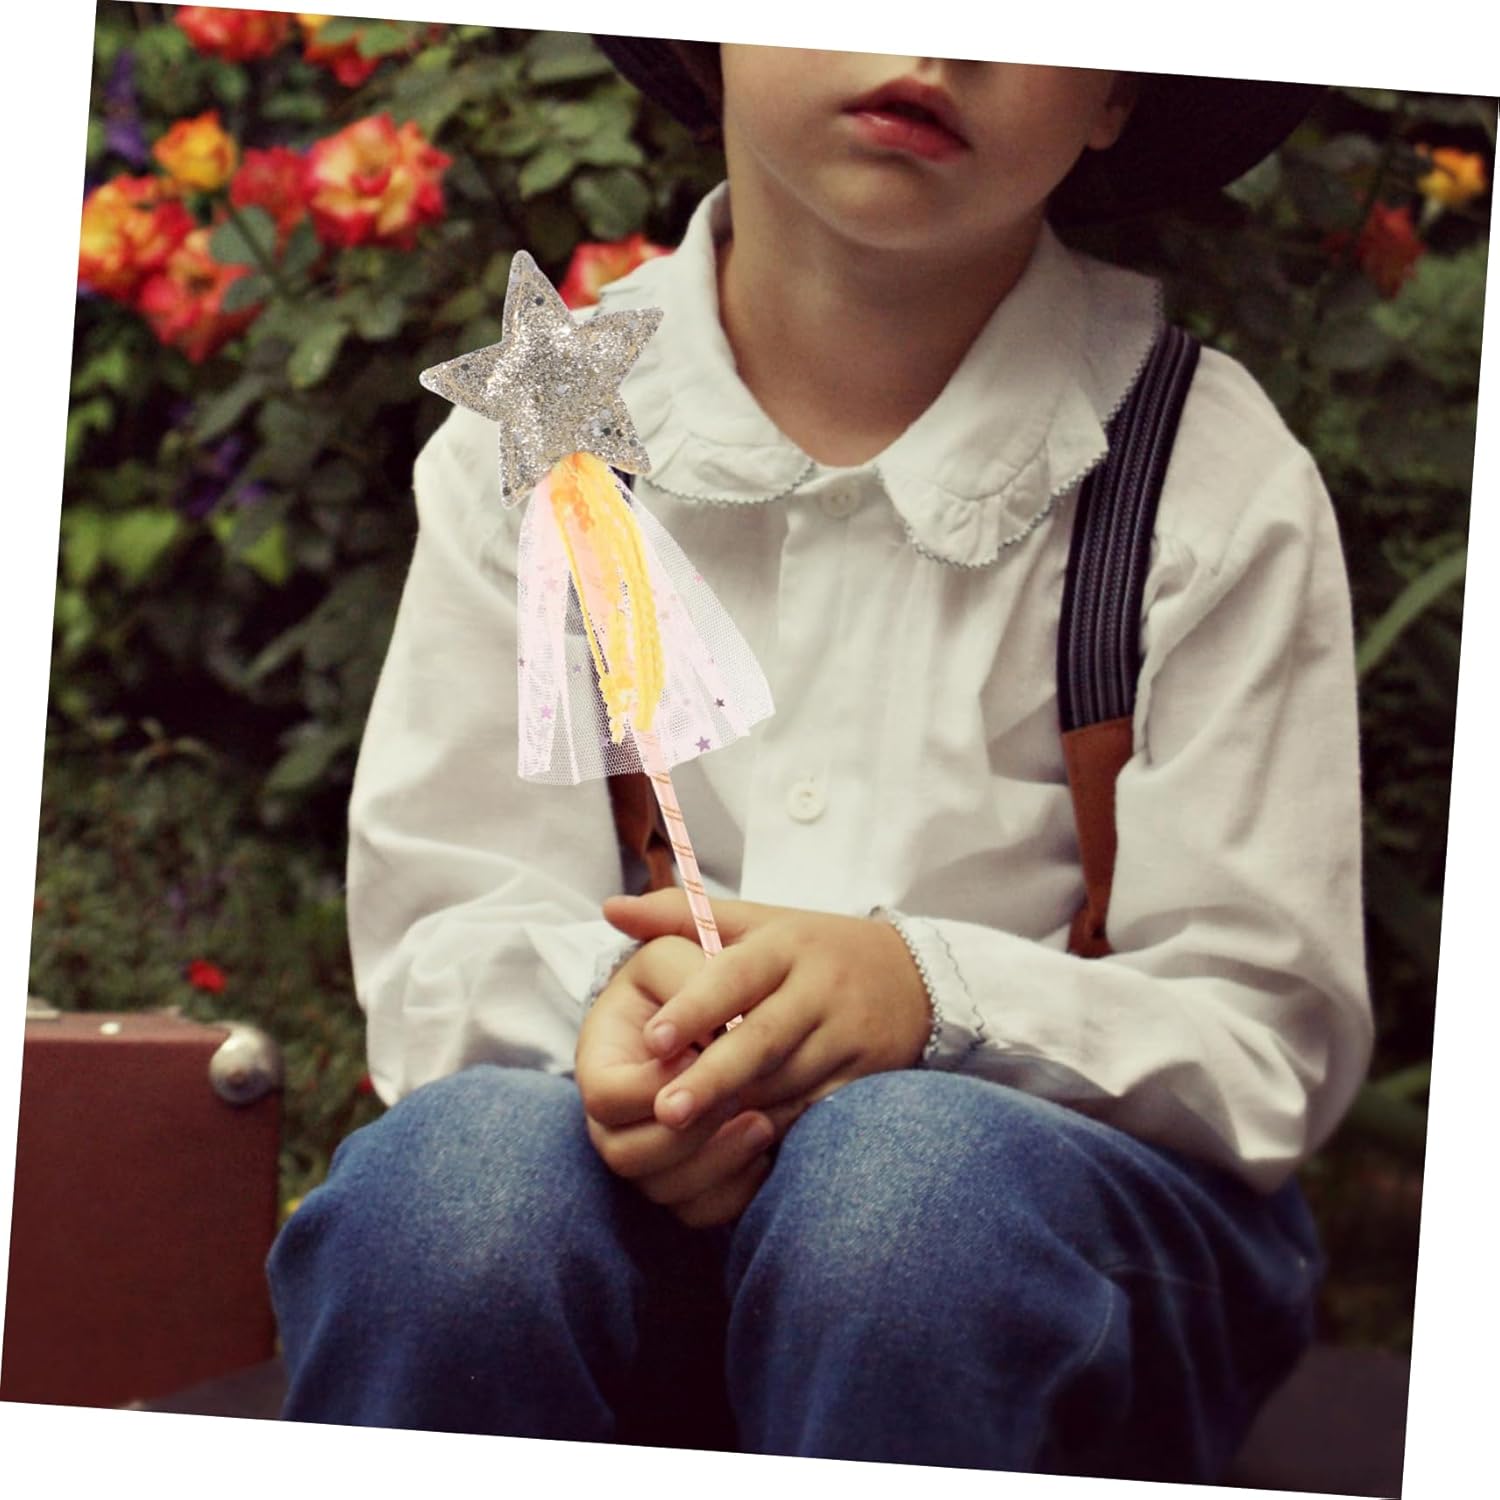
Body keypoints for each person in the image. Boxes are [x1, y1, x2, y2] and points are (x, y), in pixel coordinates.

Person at [266, 38, 1373, 1481]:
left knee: (904, 1201)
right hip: (623, 1211)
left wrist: (931, 997)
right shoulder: (552, 427)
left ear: (1117, 91)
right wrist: (618, 1024)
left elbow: (1262, 1038)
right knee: (452, 1201)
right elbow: (449, 923)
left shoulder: (1202, 476)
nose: (940, 41)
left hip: (1053, 1269)